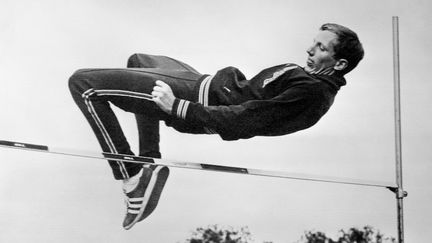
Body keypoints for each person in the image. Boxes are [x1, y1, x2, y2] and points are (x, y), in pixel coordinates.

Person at [68, 23, 364, 230]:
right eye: (314, 43)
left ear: (339, 64)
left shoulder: (312, 93)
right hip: (204, 82)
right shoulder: (310, 80)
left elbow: (244, 120)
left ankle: (130, 177)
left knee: (83, 83)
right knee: (138, 60)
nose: (310, 50)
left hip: (196, 97)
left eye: (321, 48)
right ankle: (148, 163)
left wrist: (178, 107)